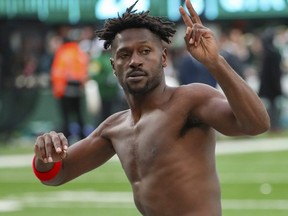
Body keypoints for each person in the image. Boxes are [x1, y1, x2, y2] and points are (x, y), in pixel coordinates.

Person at [32, 1, 270, 215]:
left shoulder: (190, 100)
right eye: (125, 54)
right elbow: (56, 174)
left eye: (145, 51)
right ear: (114, 66)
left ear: (164, 58)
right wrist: (44, 156)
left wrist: (215, 63)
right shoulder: (115, 128)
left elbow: (256, 124)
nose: (135, 60)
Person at [51, 37, 89, 140]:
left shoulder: (62, 53)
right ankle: (83, 137)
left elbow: (57, 72)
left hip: (64, 89)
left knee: (65, 117)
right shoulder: (79, 53)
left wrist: (58, 90)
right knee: (79, 114)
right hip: (78, 89)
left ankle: (65, 137)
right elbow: (85, 71)